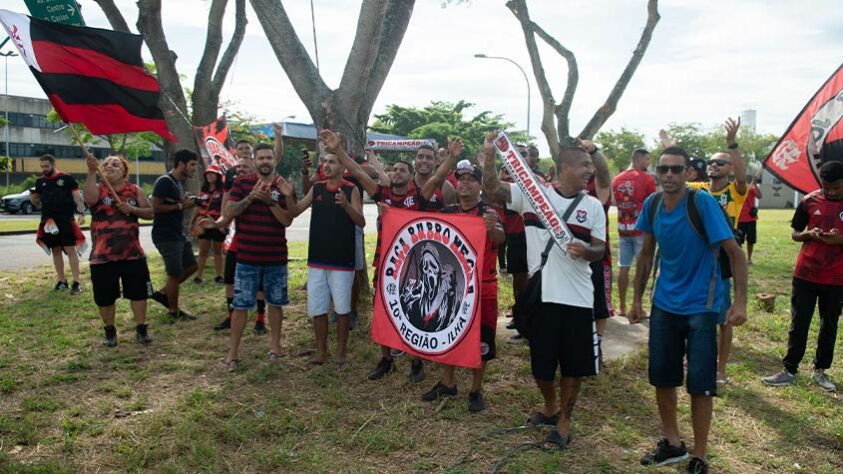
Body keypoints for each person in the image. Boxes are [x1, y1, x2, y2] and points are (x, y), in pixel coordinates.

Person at [481, 132, 607, 450]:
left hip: (578, 298)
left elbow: (601, 249)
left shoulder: (593, 207)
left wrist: (587, 251)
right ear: (564, 166)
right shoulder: (532, 196)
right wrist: (490, 155)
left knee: (573, 365)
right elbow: (492, 189)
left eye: (591, 166)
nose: (590, 171)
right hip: (542, 297)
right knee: (541, 366)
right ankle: (550, 406)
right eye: (584, 165)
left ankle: (565, 418)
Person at [629, 146, 747, 474]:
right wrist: (637, 300)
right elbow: (646, 255)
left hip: (702, 306)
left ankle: (700, 454)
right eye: (663, 170)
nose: (669, 176)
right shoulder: (652, 204)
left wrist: (739, 303)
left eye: (676, 170)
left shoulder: (702, 203)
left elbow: (736, 254)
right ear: (657, 172)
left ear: (686, 173)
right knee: (662, 377)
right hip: (665, 304)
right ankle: (672, 443)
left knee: (700, 383)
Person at [321, 129, 464, 383]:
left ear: (410, 178)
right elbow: (356, 171)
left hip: (414, 266)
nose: (397, 173)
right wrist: (338, 150)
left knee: (414, 312)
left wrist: (451, 158)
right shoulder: (382, 195)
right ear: (389, 175)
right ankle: (386, 358)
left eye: (402, 170)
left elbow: (439, 176)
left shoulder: (418, 196)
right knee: (382, 309)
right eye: (394, 170)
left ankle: (416, 361)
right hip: (386, 262)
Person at [420, 163, 504, 413]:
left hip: (483, 286)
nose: (465, 183)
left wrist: (493, 229)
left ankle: (476, 389)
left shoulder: (488, 212)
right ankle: (448, 382)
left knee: (482, 339)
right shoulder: (448, 211)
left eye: (471, 179)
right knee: (448, 331)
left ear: (480, 185)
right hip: (454, 284)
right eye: (461, 179)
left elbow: (501, 238)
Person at [761, 161, 842, 392]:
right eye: (828, 187)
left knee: (830, 324)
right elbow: (796, 233)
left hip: (837, 278)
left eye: (837, 187)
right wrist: (809, 233)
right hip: (806, 273)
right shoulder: (809, 201)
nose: (832, 191)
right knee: (799, 323)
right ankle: (789, 369)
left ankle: (820, 370)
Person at [282, 152, 365, 365]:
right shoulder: (317, 187)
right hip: (317, 259)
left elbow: (361, 222)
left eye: (332, 161)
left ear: (342, 167)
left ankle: (341, 353)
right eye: (325, 162)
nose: (326, 165)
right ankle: (321, 351)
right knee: (318, 308)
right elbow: (295, 212)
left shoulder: (350, 189)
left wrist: (346, 205)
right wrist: (289, 196)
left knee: (342, 308)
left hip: (342, 261)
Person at [221, 143, 294, 371]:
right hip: (246, 258)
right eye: (261, 158)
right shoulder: (242, 183)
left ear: (274, 160)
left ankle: (275, 347)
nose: (265, 161)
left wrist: (271, 201)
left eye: (268, 158)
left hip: (276, 257)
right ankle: (233, 353)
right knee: (240, 306)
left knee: (275, 304)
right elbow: (229, 212)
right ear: (253, 160)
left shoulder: (281, 185)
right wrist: (251, 197)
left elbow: (287, 220)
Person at [84, 153, 154, 347]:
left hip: (132, 254)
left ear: (124, 171)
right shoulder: (99, 189)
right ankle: (109, 331)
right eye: (105, 164)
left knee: (139, 293)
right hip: (102, 256)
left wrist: (132, 210)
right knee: (105, 297)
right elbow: (89, 199)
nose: (109, 166)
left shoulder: (135, 190)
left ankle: (141, 328)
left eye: (115, 164)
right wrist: (91, 171)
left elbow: (150, 213)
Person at [149, 150, 199, 321]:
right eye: (192, 165)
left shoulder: (178, 183)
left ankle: (164, 293)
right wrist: (180, 206)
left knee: (192, 266)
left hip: (178, 234)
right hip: (166, 235)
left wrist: (185, 202)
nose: (194, 169)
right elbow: (155, 207)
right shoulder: (164, 181)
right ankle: (173, 311)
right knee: (174, 273)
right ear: (181, 164)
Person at [30, 154, 87, 294]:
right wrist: (32, 198)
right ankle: (61, 281)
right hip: (49, 222)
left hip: (65, 220)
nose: (44, 169)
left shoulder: (67, 179)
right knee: (55, 251)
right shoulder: (40, 181)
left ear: (53, 164)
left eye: (46, 166)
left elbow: (77, 198)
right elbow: (36, 201)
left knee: (70, 250)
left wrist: (81, 213)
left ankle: (76, 282)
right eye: (42, 167)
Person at [612, 148, 657, 316]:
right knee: (641, 266)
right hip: (641, 229)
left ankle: (622, 306)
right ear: (639, 159)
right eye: (647, 159)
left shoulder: (617, 179)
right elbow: (653, 203)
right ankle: (636, 305)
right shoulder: (646, 178)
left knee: (623, 266)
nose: (649, 163)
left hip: (623, 227)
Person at [583, 141, 614, 359]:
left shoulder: (598, 190)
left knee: (599, 304)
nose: (587, 168)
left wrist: (594, 150)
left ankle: (598, 345)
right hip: (572, 258)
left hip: (598, 257)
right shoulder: (560, 189)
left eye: (589, 163)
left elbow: (604, 173)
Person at [191, 164, 225, 284]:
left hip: (217, 223)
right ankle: (198, 276)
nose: (210, 176)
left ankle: (219, 275)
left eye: (212, 174)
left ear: (218, 175)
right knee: (203, 251)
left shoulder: (223, 191)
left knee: (218, 250)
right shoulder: (203, 191)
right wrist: (192, 223)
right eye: (208, 174)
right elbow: (197, 207)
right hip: (203, 223)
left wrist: (222, 224)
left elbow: (225, 208)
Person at [737, 167, 763, 265]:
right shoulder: (735, 188)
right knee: (738, 240)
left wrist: (754, 184)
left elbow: (759, 196)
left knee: (751, 240)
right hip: (739, 219)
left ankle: (749, 258)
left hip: (750, 218)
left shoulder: (751, 187)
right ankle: (740, 258)